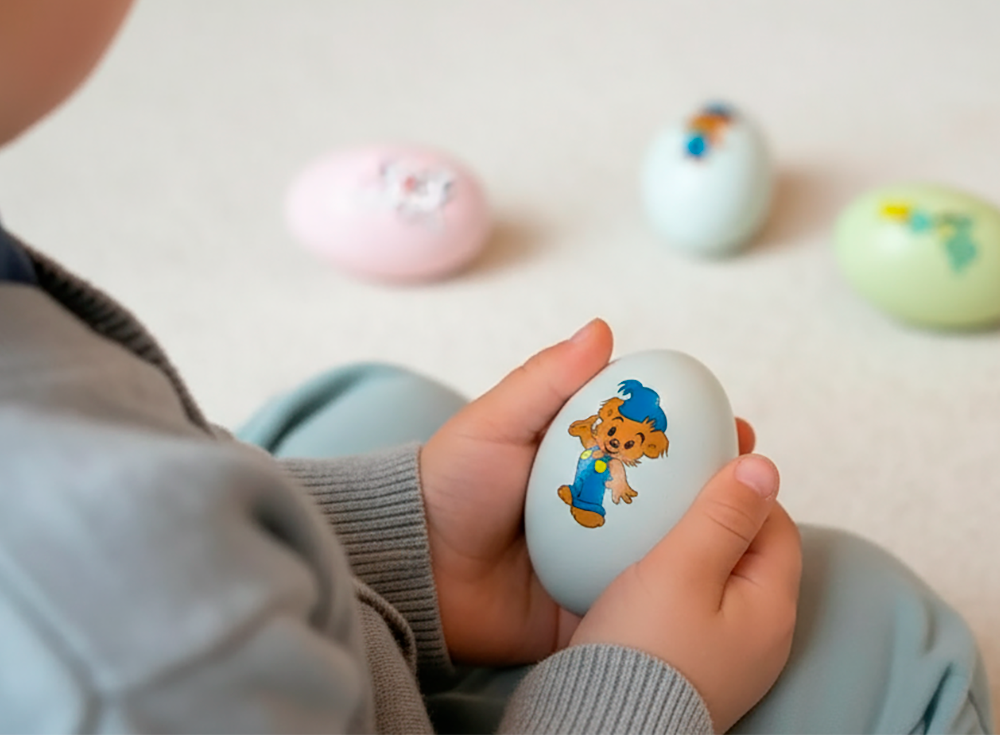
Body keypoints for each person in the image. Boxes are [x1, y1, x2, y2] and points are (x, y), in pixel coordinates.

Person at [0, 2, 993, 733]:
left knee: (370, 405)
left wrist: (407, 541)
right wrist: (635, 688)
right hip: (240, 684)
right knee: (872, 626)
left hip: (240, 644)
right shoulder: (123, 674)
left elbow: (153, 482)